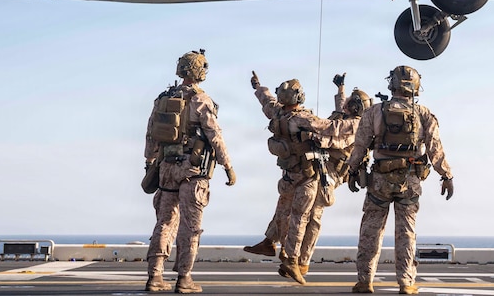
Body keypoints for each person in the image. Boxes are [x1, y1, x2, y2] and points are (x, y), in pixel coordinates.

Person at [242, 73, 370, 270]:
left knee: (312, 217)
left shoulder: (358, 128)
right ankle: (273, 244)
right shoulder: (343, 118)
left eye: (351, 103)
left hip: (330, 175)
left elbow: (337, 137)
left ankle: (302, 262)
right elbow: (337, 117)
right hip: (315, 168)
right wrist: (340, 89)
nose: (345, 104)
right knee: (287, 206)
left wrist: (314, 138)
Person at [346, 66, 454, 295]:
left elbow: (360, 145)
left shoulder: (374, 112)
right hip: (409, 181)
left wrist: (352, 170)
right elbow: (436, 149)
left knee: (370, 231)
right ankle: (406, 283)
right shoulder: (424, 114)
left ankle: (365, 281)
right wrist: (446, 175)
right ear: (415, 87)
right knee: (406, 233)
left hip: (379, 182)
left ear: (392, 84)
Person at [143, 50, 237, 294]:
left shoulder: (163, 98)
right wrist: (228, 166)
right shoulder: (201, 100)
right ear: (200, 72)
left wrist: (150, 161)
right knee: (190, 226)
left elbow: (151, 133)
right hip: (192, 171)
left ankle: (155, 276)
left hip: (166, 170)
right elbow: (215, 135)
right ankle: (184, 278)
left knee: (164, 223)